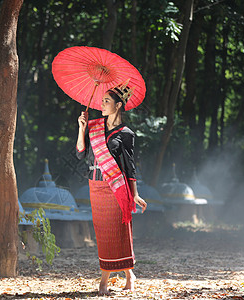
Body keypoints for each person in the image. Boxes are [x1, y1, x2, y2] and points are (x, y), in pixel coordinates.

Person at [76, 81, 147, 296]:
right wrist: (82, 129)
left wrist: (134, 194)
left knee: (119, 232)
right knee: (104, 234)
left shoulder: (126, 134)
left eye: (107, 101)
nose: (102, 104)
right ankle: (127, 275)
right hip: (95, 186)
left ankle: (107, 280)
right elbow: (80, 153)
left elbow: (129, 167)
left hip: (116, 188)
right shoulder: (93, 126)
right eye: (102, 101)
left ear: (118, 105)